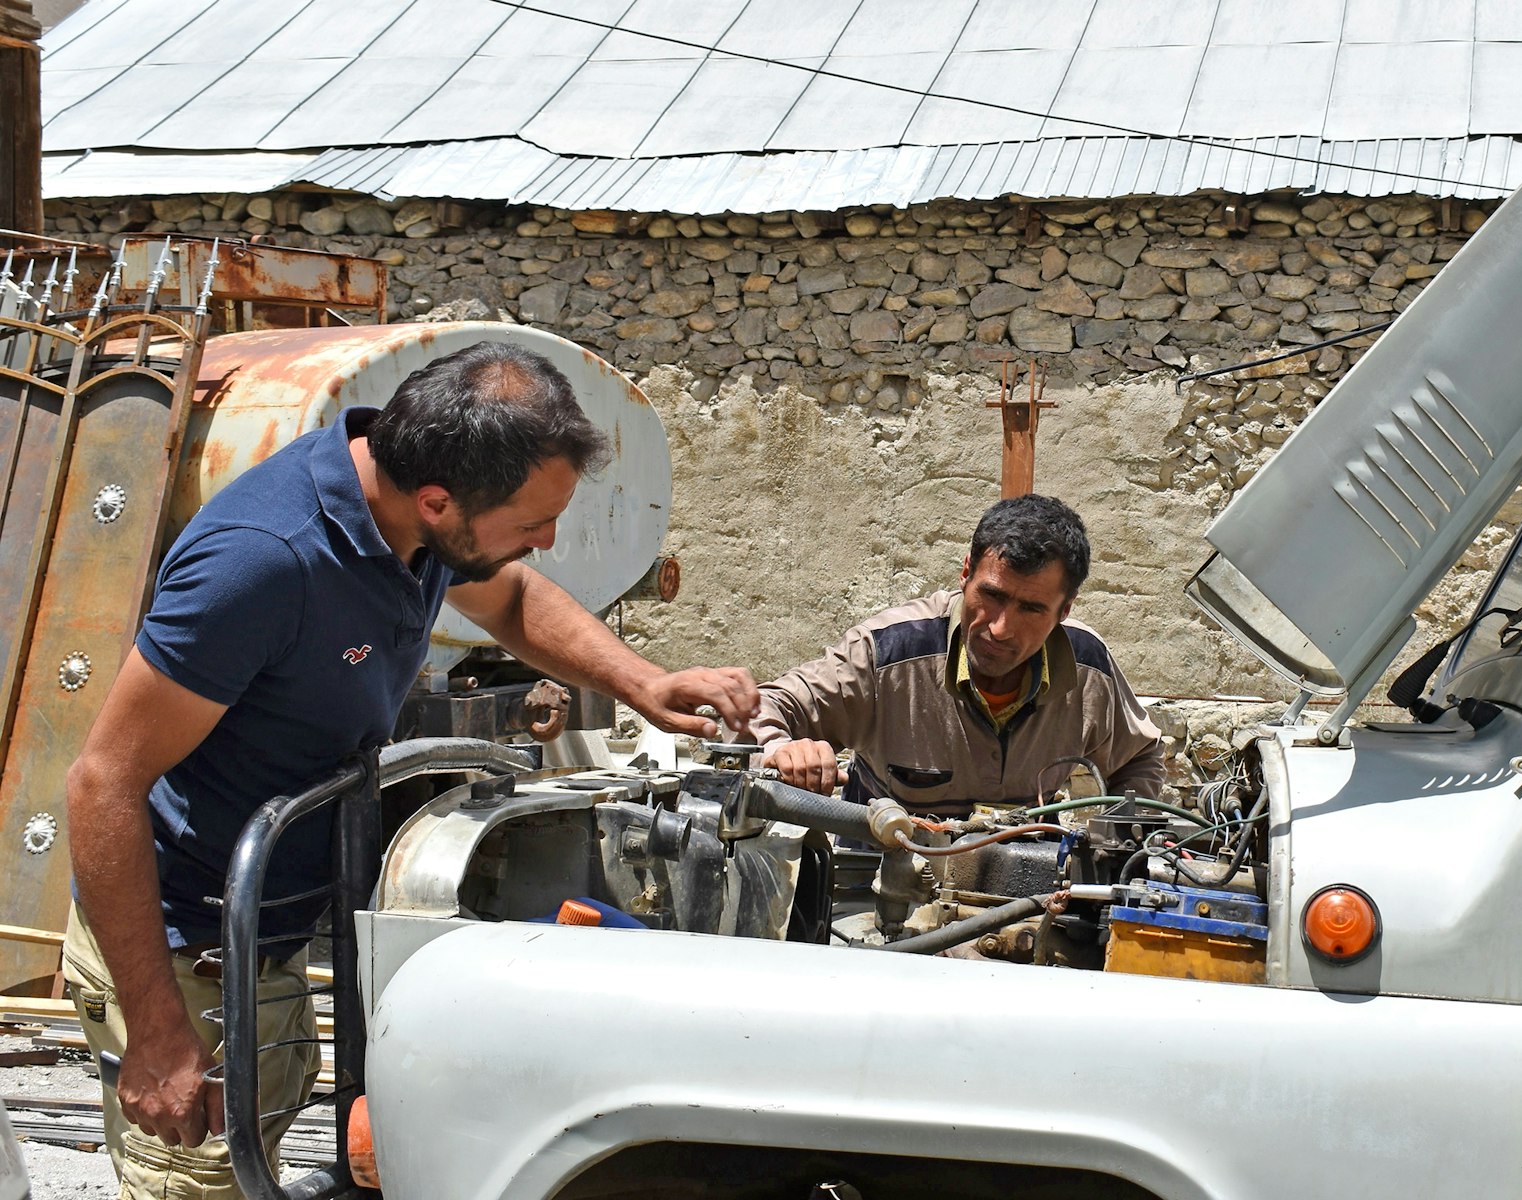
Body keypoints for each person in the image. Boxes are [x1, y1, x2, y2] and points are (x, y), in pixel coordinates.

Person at [60, 340, 758, 1197]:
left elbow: (507, 596)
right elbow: (102, 783)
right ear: (436, 500)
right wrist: (156, 1028)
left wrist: (643, 681)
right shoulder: (263, 561)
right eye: (533, 521)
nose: (546, 542)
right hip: (186, 949)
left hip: (268, 939)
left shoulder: (405, 515)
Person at [753, 494, 1163, 816]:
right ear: (966, 574)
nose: (1000, 628)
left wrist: (1116, 842)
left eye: (1032, 609)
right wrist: (780, 749)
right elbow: (764, 705)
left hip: (1025, 889)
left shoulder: (1088, 665)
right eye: (992, 595)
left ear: (1064, 611)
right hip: (878, 886)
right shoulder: (890, 653)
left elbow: (1139, 756)